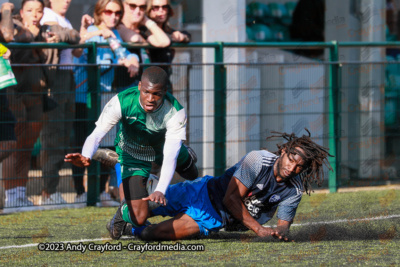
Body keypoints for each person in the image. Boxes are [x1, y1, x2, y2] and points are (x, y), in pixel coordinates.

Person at [107, 130, 333, 241]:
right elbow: (231, 199)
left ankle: (133, 227)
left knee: (150, 235)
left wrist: (281, 231)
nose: (292, 168)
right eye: (291, 160)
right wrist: (259, 229)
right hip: (201, 191)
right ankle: (124, 172)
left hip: (212, 218)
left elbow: (285, 223)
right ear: (283, 151)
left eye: (299, 167)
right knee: (143, 207)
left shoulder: (294, 189)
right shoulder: (258, 159)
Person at [65, 66, 198, 229]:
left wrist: (160, 190)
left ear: (165, 91)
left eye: (156, 94)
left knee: (192, 174)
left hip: (163, 148)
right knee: (139, 218)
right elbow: (96, 134)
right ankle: (122, 210)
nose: (150, 98)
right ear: (139, 87)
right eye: (146, 92)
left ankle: (169, 164)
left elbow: (170, 157)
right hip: (134, 153)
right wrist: (86, 155)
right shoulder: (122, 101)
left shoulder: (175, 112)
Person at [1, 0, 80, 209]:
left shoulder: (47, 28)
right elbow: (8, 36)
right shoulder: (14, 26)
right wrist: (7, 10)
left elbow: (75, 36)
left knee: (26, 147)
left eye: (38, 11)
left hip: (38, 93)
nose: (35, 15)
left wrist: (58, 35)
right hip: (15, 91)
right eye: (29, 10)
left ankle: (20, 194)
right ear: (21, 12)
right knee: (14, 145)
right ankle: (10, 195)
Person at [39, 0, 81, 205]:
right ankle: (48, 191)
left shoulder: (64, 19)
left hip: (68, 79)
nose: (66, 0)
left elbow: (78, 48)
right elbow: (63, 37)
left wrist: (75, 33)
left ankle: (51, 190)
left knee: (63, 136)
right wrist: (72, 35)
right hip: (54, 80)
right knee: (52, 136)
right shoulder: (46, 14)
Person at [115, 0, 170, 92]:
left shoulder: (143, 29)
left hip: (145, 87)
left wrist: (147, 21)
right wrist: (143, 39)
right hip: (123, 87)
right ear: (123, 6)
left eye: (142, 7)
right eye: (133, 6)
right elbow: (134, 39)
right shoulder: (117, 26)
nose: (138, 11)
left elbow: (164, 41)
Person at [144, 0, 191, 93]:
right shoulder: (143, 31)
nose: (161, 11)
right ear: (149, 10)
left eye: (164, 7)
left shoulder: (168, 30)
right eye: (156, 8)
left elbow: (186, 35)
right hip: (147, 85)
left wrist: (183, 37)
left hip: (165, 83)